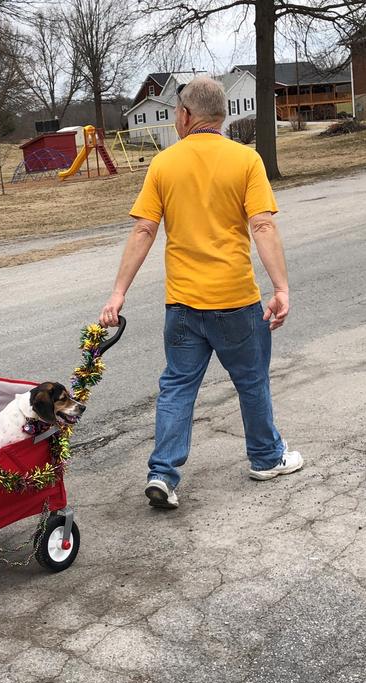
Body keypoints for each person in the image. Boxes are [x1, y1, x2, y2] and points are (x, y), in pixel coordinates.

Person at [99, 77, 303, 510]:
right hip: (235, 301)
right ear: (222, 115)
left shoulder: (164, 164)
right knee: (250, 381)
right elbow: (262, 225)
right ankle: (267, 458)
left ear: (187, 115)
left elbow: (144, 229)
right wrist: (281, 287)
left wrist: (119, 293)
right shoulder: (245, 160)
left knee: (176, 387)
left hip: (183, 304)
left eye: (176, 111)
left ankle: (163, 473)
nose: (176, 118)